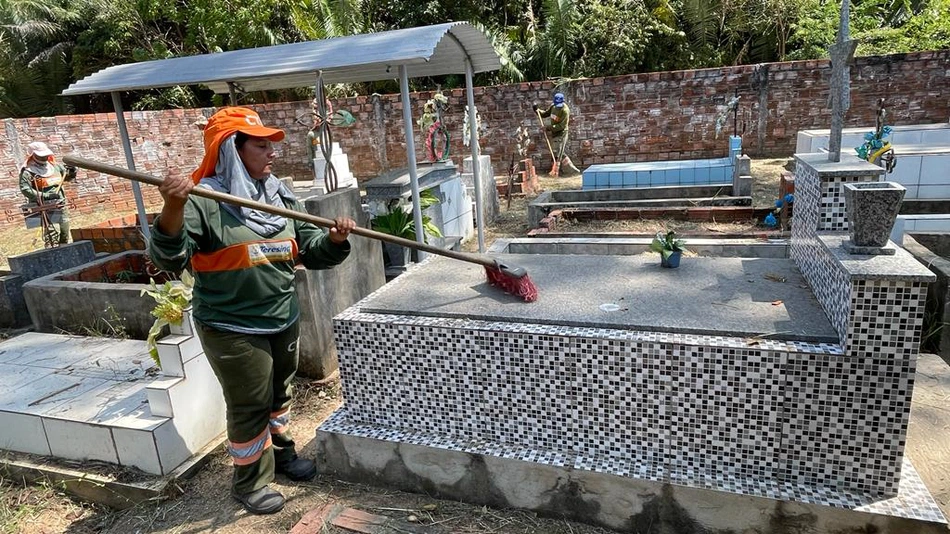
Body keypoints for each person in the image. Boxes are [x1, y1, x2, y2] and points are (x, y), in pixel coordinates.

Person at [147, 107, 356, 515]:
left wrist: (332, 239)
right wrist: (172, 207)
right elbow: (170, 259)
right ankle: (250, 482)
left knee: (279, 396)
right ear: (232, 150)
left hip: (282, 316)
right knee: (250, 404)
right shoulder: (204, 201)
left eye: (270, 144)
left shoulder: (279, 195)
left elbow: (312, 250)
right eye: (260, 145)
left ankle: (280, 455)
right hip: (232, 325)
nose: (271, 152)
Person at [19, 141, 76, 243]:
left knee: (64, 233)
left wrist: (72, 172)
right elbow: (25, 189)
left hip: (60, 204)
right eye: (41, 155)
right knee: (53, 233)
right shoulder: (28, 172)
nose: (44, 157)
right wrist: (46, 195)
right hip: (44, 207)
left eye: (46, 155)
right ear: (33, 154)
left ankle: (64, 252)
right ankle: (53, 253)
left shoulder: (55, 167)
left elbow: (65, 178)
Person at [533, 92, 581, 176]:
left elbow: (561, 126)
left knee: (556, 152)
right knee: (558, 152)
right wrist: (537, 110)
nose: (557, 106)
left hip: (561, 133)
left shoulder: (565, 111)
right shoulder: (553, 106)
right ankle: (572, 171)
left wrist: (548, 128)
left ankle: (555, 172)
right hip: (554, 132)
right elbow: (544, 114)